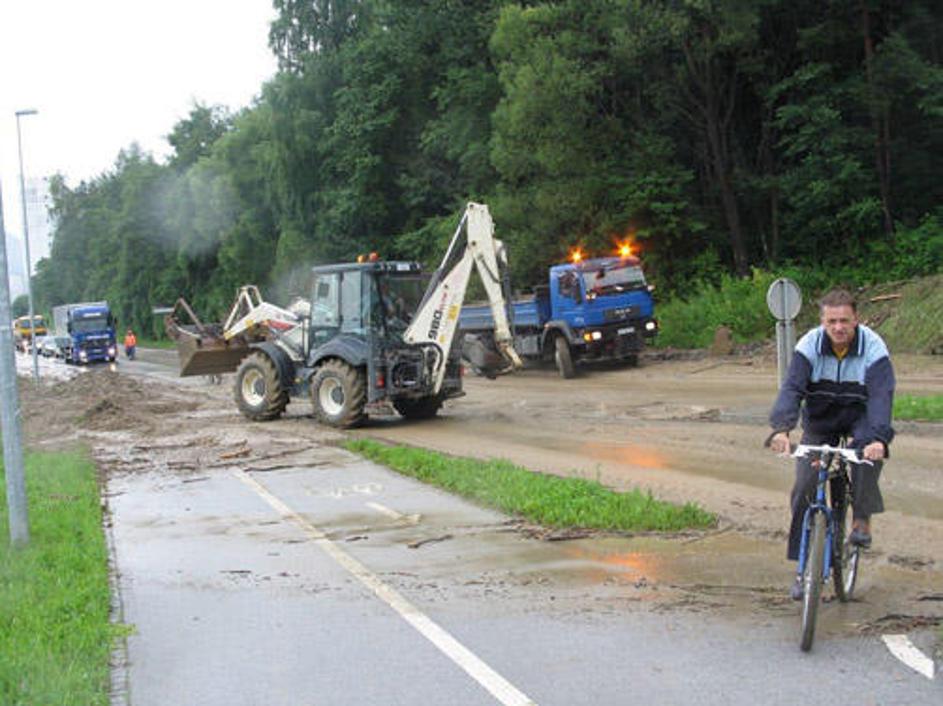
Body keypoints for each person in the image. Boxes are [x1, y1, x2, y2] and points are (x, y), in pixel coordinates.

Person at [767, 288, 895, 600]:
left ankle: (861, 520)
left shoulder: (873, 347)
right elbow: (793, 388)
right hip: (821, 418)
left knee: (864, 458)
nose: (838, 328)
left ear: (856, 320)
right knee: (804, 487)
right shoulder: (809, 345)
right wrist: (781, 429)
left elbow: (881, 396)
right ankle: (802, 570)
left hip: (859, 416)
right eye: (832, 321)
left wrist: (878, 438)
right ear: (822, 322)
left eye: (845, 321)